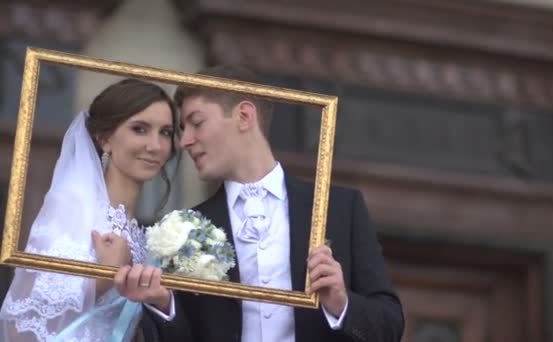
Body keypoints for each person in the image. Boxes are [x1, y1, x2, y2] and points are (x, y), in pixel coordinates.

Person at [114, 65, 405, 341]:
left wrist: (341, 304)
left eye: (197, 123)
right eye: (182, 130)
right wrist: (164, 305)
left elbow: (389, 327)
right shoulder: (185, 228)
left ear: (244, 116)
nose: (185, 141)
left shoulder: (340, 208)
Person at [0, 78, 179, 342]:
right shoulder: (71, 205)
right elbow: (23, 319)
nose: (156, 146)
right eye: (140, 129)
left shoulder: (141, 233)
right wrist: (105, 276)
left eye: (165, 132)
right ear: (105, 138)